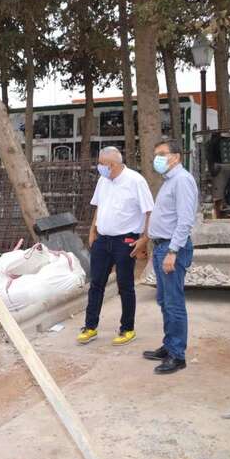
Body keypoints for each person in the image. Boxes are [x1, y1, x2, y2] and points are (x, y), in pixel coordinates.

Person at [77, 146, 154, 346]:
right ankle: (90, 326)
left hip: (125, 240)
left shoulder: (135, 181)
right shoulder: (103, 181)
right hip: (103, 239)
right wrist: (93, 231)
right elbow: (99, 206)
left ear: (112, 164)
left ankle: (127, 328)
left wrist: (144, 238)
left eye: (101, 164)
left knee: (125, 285)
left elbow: (149, 211)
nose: (99, 167)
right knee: (96, 284)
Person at [143, 139, 198, 374]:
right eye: (156, 154)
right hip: (161, 248)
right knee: (164, 301)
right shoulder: (169, 181)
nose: (157, 158)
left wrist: (173, 251)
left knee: (174, 304)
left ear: (175, 156)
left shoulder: (182, 181)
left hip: (171, 248)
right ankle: (169, 345)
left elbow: (185, 220)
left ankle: (177, 355)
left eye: (162, 154)